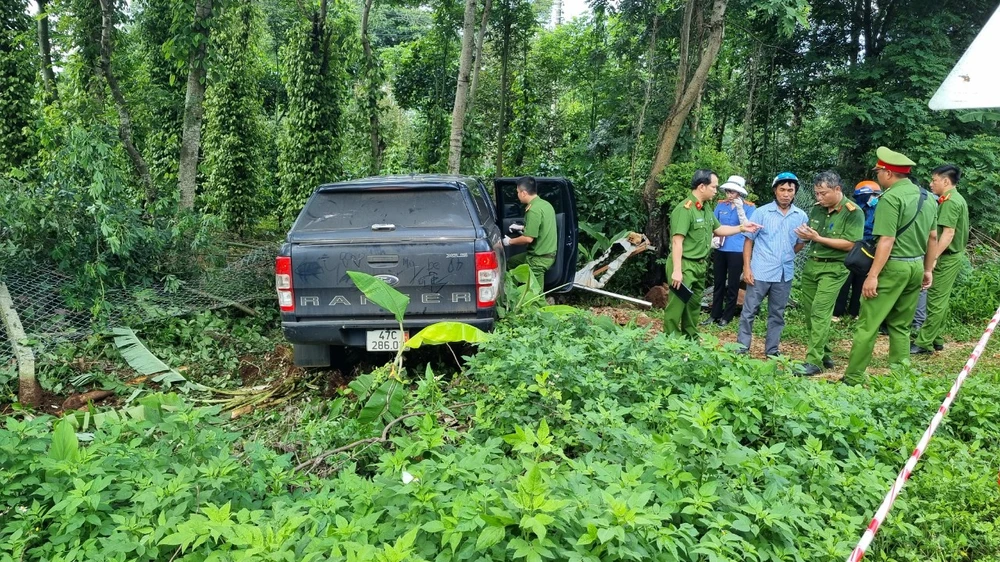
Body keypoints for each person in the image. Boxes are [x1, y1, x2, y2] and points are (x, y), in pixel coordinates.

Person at [842, 147, 938, 386]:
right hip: (915, 266)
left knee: (868, 324)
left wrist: (872, 275)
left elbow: (887, 240)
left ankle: (853, 378)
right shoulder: (927, 198)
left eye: (878, 172)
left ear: (887, 173)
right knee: (902, 325)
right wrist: (927, 270)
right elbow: (933, 237)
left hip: (892, 268)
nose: (877, 177)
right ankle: (900, 377)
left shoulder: (891, 198)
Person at [664, 169, 761, 339]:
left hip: (700, 264)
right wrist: (677, 270)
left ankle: (690, 339)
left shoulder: (706, 208)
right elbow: (677, 242)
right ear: (702, 186)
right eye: (714, 187)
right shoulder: (685, 209)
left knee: (693, 306)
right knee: (677, 306)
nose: (717, 191)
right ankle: (670, 342)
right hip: (684, 264)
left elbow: (718, 229)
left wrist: (741, 228)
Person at [793, 171, 864, 376]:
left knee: (820, 311)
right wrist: (805, 236)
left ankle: (813, 361)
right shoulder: (817, 210)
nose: (819, 198)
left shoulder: (853, 212)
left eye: (823, 193)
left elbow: (851, 244)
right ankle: (823, 353)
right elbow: (811, 237)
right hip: (812, 266)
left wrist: (818, 238)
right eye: (816, 193)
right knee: (809, 312)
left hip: (834, 268)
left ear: (837, 189)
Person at [736, 172, 809, 357]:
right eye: (782, 189)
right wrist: (747, 267)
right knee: (749, 311)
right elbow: (748, 240)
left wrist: (789, 254)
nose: (786, 193)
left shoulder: (800, 216)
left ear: (795, 192)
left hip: (784, 273)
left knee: (777, 314)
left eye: (790, 190)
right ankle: (742, 348)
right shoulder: (761, 213)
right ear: (775, 191)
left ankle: (772, 350)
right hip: (760, 271)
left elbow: (801, 242)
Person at [912, 164, 969, 355]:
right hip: (949, 255)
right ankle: (936, 338)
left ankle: (924, 342)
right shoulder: (951, 199)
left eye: (934, 180)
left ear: (945, 181)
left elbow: (948, 234)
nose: (931, 184)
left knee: (935, 299)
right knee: (940, 299)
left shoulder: (951, 201)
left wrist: (933, 257)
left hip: (947, 256)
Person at [704, 175, 755, 327]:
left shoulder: (749, 207)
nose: (729, 195)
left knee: (732, 284)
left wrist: (739, 208)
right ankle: (715, 314)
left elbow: (748, 227)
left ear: (739, 192)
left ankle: (727, 316)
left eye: (732, 192)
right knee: (718, 282)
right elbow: (714, 224)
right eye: (727, 191)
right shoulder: (721, 205)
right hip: (721, 248)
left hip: (737, 249)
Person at [834, 181, 880, 319]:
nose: (876, 198)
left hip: (868, 248)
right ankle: (837, 312)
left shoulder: (878, 208)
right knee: (845, 279)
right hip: (852, 246)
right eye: (874, 195)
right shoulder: (852, 209)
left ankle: (855, 312)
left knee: (861, 280)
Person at [504, 176, 556, 291]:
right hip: (546, 254)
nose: (517, 195)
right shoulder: (545, 205)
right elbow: (541, 227)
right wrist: (522, 227)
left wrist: (509, 241)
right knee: (512, 264)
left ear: (524, 193)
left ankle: (541, 308)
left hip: (538, 259)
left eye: (518, 192)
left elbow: (528, 238)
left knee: (534, 294)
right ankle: (511, 296)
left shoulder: (533, 210)